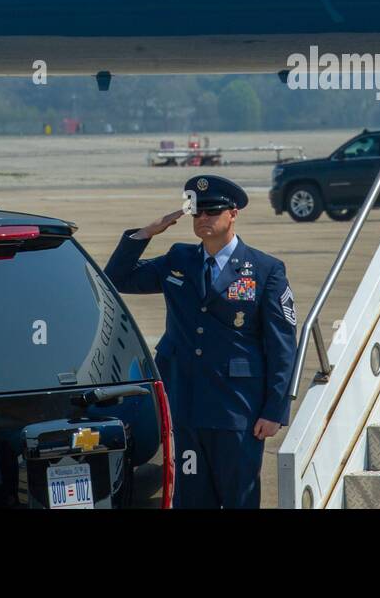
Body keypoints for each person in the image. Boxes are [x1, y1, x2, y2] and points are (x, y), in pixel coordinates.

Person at [102, 174, 297, 508]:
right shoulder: (179, 260)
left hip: (238, 412)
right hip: (186, 407)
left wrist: (274, 410)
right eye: (197, 213)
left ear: (233, 213)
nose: (203, 219)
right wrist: (145, 234)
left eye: (213, 211)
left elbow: (282, 347)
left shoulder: (264, 270)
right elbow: (118, 278)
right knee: (190, 500)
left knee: (239, 500)